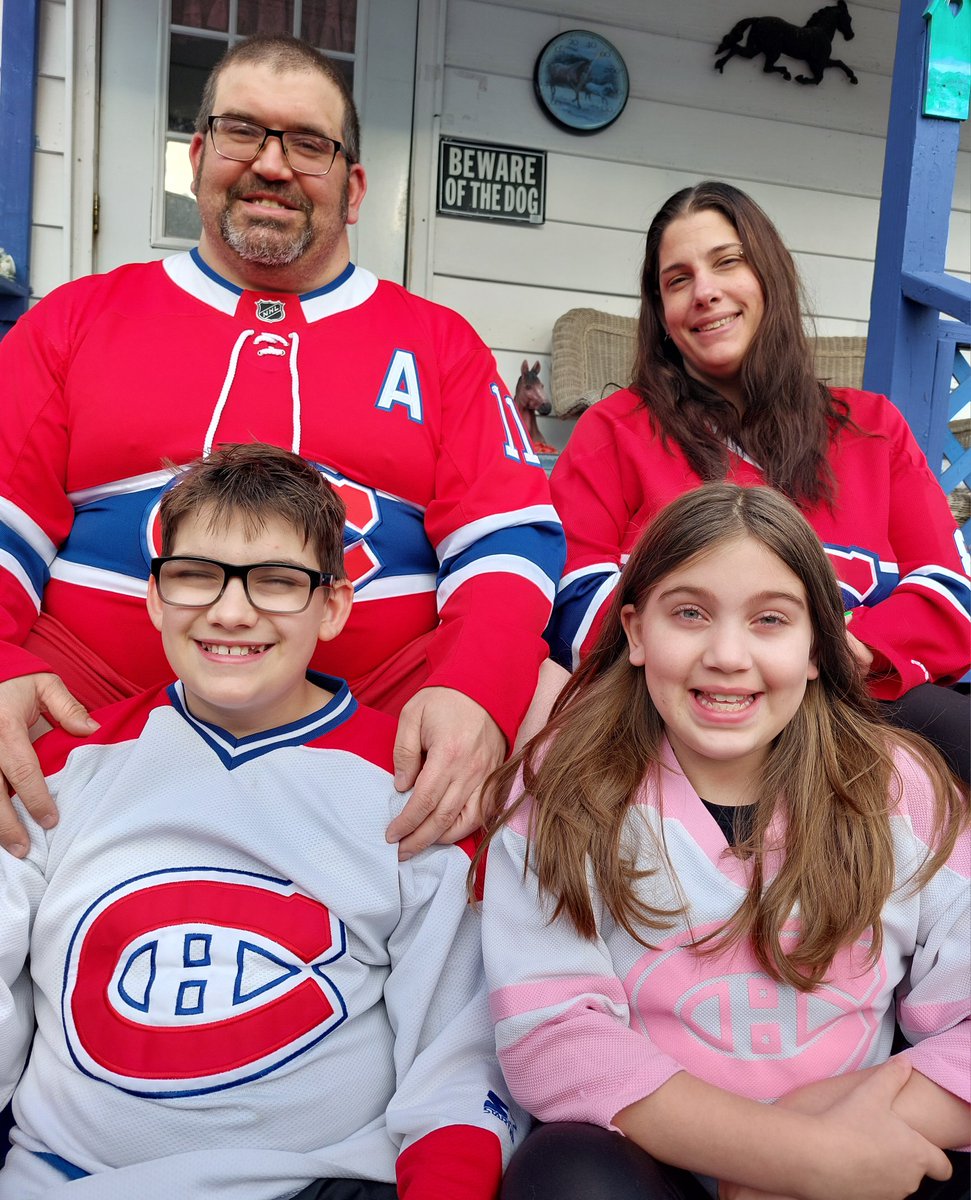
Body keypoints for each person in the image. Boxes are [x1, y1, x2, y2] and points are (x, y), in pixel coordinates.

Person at [0, 33, 564, 860]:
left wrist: (474, 688)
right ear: (196, 156)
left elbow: (507, 539)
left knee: (560, 712)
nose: (271, 164)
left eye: (308, 143)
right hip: (99, 701)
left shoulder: (438, 342)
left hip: (382, 710)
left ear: (354, 185)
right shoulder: (77, 319)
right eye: (241, 132)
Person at [0, 442, 523, 1199]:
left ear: (334, 605)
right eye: (194, 577)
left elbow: (456, 1053)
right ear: (153, 596)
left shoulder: (410, 786)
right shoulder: (60, 769)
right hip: (66, 1178)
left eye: (277, 582)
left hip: (318, 1183)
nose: (231, 610)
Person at [480, 483, 970, 1200]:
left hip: (863, 1145)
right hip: (654, 1163)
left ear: (816, 648)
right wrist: (783, 1154)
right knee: (565, 1179)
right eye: (688, 614)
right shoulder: (564, 787)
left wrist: (829, 1139)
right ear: (637, 632)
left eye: (770, 620)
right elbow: (555, 1039)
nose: (727, 655)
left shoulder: (897, 787)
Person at [547, 181, 970, 780]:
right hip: (683, 724)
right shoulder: (614, 431)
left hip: (858, 704)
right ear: (662, 318)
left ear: (770, 277)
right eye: (677, 280)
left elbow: (952, 593)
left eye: (727, 263)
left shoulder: (873, 427)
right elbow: (573, 596)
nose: (706, 292)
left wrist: (841, 649)